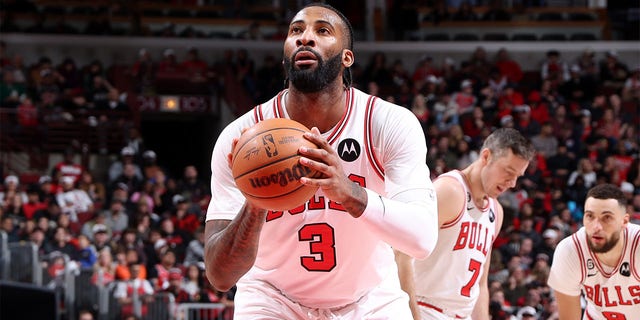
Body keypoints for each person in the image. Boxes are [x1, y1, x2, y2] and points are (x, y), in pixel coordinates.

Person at [204, 3, 438, 319]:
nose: (305, 38)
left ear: (347, 57)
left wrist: (349, 193)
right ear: (285, 53)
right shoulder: (243, 138)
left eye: (322, 31)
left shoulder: (387, 124)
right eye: (296, 31)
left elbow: (422, 240)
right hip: (273, 299)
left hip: (368, 300)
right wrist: (256, 204)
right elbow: (220, 276)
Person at [405, 128, 535, 319]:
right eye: (508, 171)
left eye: (518, 176)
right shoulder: (449, 191)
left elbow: (480, 284)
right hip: (424, 308)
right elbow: (401, 257)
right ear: (486, 156)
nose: (512, 183)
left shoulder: (495, 211)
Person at [548, 183, 640, 319]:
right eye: (590, 216)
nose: (596, 227)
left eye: (607, 217)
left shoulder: (637, 245)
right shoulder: (570, 251)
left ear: (624, 221)